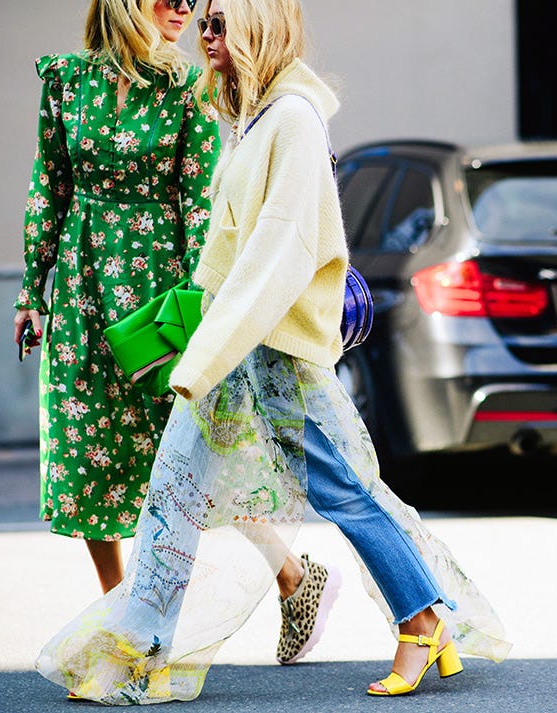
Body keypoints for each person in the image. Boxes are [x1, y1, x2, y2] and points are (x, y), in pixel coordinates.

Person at [34, 0, 510, 703]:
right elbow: (228, 255)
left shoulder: (291, 119)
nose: (205, 32)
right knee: (172, 493)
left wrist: (201, 358)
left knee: (344, 489)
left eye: (221, 22)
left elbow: (276, 258)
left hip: (272, 352)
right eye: (205, 23)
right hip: (235, 345)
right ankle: (142, 651)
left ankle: (423, 618)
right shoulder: (253, 117)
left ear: (260, 27)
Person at [12, 0, 337, 668]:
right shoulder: (66, 82)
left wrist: (206, 315)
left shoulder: (188, 89)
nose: (185, 10)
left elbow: (201, 206)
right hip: (83, 291)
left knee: (193, 453)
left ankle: (290, 576)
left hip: (163, 289)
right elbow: (51, 185)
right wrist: (30, 289)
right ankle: (126, 619)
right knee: (89, 452)